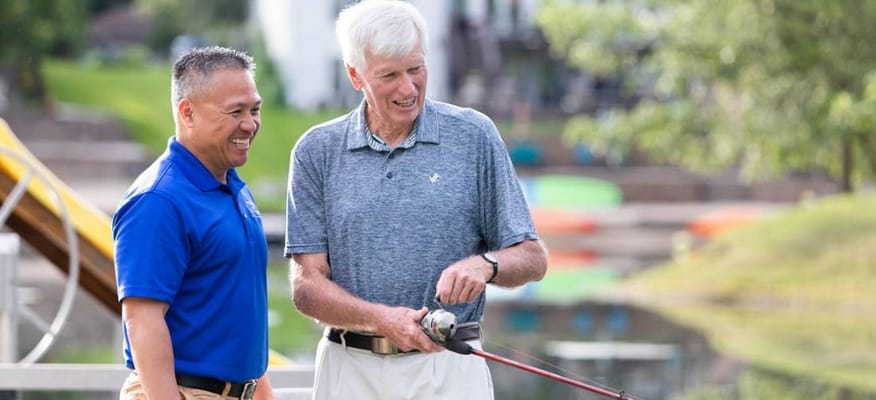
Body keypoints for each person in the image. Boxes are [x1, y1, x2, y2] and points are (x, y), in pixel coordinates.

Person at [283, 1, 548, 399]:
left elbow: (532, 258)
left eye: (416, 69)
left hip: (450, 371)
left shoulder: (474, 137)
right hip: (349, 371)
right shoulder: (316, 151)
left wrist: (486, 264)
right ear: (356, 76)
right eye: (389, 75)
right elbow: (307, 286)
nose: (408, 88)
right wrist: (382, 320)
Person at [113, 46, 273, 400]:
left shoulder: (232, 187)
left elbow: (237, 317)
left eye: (255, 109)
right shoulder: (158, 201)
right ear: (187, 113)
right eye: (235, 111)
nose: (250, 124)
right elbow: (142, 321)